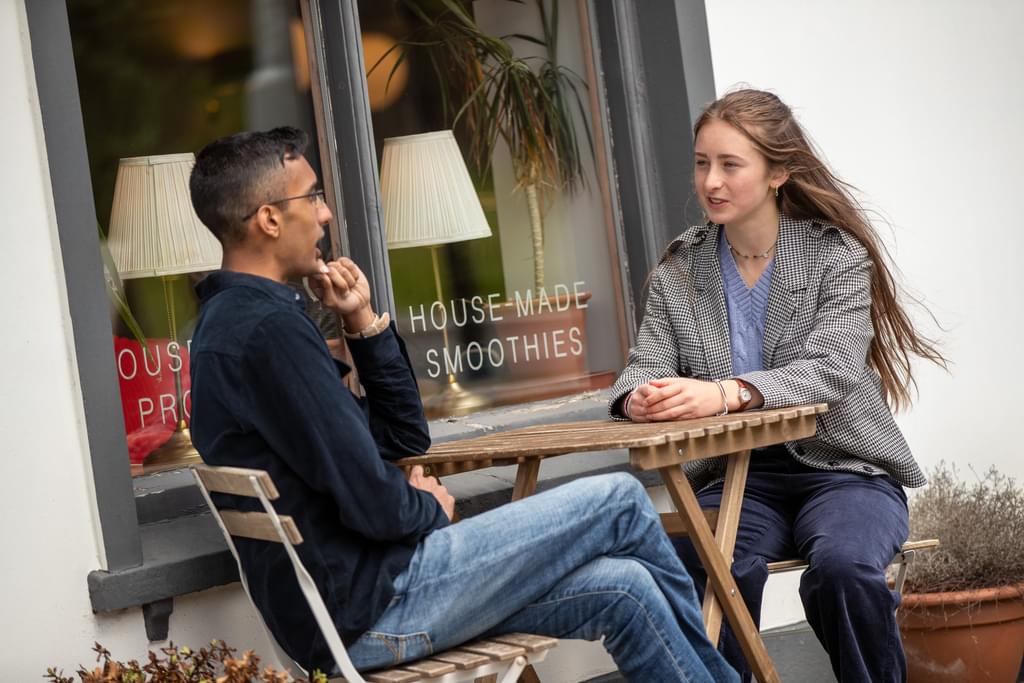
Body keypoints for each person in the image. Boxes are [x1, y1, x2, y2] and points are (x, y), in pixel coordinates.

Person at [186, 126, 737, 682]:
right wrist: (430, 509)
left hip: (349, 611)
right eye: (312, 196)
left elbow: (402, 440)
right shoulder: (269, 334)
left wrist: (364, 324)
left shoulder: (228, 326)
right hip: (376, 608)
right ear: (270, 219)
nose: (326, 214)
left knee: (626, 589)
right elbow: (374, 503)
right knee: (620, 498)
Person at [609, 89, 945, 683]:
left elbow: (832, 367)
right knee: (706, 564)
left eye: (730, 165)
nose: (710, 181)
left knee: (844, 569)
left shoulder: (835, 258)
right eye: (701, 162)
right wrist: (638, 397)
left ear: (778, 173)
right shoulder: (678, 271)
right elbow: (642, 365)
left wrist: (728, 392)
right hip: (738, 475)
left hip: (845, 470)